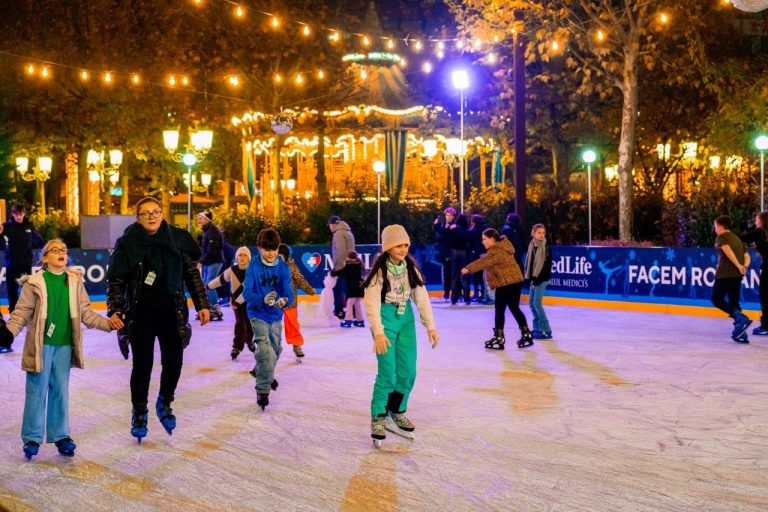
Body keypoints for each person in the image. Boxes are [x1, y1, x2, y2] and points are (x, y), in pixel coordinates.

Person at [0, 239, 117, 460]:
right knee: (36, 391)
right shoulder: (34, 283)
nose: (61, 253)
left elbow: (87, 314)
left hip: (64, 346)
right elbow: (21, 313)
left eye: (63, 250)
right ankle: (32, 437)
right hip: (40, 346)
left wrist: (109, 324)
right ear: (45, 258)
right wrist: (8, 333)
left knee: (60, 392)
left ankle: (61, 436)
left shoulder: (75, 281)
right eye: (55, 250)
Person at [106, 197, 210, 444]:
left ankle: (165, 401)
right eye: (146, 213)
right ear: (138, 218)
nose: (152, 216)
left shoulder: (177, 238)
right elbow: (116, 280)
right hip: (140, 313)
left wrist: (202, 304)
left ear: (162, 214)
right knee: (142, 365)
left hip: (171, 312)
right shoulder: (127, 242)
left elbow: (191, 274)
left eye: (156, 212)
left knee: (174, 361)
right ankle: (139, 412)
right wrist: (115, 309)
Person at [362, 225, 439, 444]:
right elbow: (371, 303)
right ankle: (379, 416)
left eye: (406, 245)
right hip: (385, 322)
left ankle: (396, 410)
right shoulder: (379, 272)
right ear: (388, 247)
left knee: (408, 372)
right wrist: (378, 332)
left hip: (406, 322)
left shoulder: (411, 269)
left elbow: (422, 298)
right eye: (398, 245)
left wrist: (430, 326)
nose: (403, 249)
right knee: (387, 373)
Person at [243, 229, 293, 410]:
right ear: (259, 248)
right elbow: (247, 293)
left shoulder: (283, 268)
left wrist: (285, 301)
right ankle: (263, 390)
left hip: (275, 315)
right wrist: (262, 299)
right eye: (266, 249)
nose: (271, 253)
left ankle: (259, 370)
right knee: (265, 351)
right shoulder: (253, 267)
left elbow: (288, 291)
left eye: (274, 249)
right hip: (257, 314)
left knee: (276, 350)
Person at [462, 228, 533, 350]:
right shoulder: (503, 247)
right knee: (514, 308)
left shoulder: (496, 250)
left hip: (506, 283)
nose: (483, 242)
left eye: (485, 239)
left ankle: (499, 337)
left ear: (492, 239)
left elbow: (484, 262)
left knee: (499, 310)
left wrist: (468, 268)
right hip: (515, 281)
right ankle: (526, 333)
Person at [206, 246, 255, 360]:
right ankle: (236, 347)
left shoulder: (252, 271)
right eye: (240, 255)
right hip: (236, 304)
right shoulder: (232, 270)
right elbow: (220, 280)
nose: (242, 258)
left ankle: (249, 340)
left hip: (249, 302)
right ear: (236, 257)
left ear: (249, 258)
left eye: (245, 255)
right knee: (240, 323)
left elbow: (247, 290)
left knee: (249, 324)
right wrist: (208, 286)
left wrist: (237, 302)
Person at [711, 215, 751, 343]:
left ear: (721, 226)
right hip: (737, 275)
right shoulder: (736, 238)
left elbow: (728, 252)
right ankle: (740, 333)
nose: (715, 229)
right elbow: (747, 256)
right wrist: (744, 266)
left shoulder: (721, 237)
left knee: (716, 299)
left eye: (715, 226)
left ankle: (740, 318)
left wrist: (738, 265)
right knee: (734, 302)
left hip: (725, 274)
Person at [0, 204, 45, 312]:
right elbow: (1, 246)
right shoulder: (6, 227)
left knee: (28, 293)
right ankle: (13, 314)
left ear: (24, 213)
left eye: (20, 214)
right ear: (13, 214)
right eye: (16, 214)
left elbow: (39, 241)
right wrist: (0, 234)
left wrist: (48, 250)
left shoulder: (29, 225)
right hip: (12, 265)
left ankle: (28, 314)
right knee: (12, 293)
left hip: (26, 265)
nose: (18, 216)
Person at [277, 243, 316, 360]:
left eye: (280, 257)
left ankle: (296, 345)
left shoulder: (291, 266)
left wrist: (309, 290)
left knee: (292, 324)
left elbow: (300, 279)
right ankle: (274, 345)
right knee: (272, 325)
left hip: (290, 302)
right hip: (275, 302)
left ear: (286, 257)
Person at [524, 224, 553, 339]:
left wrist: (538, 278)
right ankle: (537, 328)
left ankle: (545, 329)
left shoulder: (546, 248)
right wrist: (528, 278)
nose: (542, 235)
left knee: (536, 303)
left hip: (542, 279)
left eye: (543, 233)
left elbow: (547, 266)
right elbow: (529, 263)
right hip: (533, 278)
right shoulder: (532, 245)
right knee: (531, 303)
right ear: (533, 233)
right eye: (539, 232)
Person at [741, 211, 768, 336]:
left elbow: (743, 238)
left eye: (757, 220)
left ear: (762, 221)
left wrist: (727, 236)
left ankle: (766, 326)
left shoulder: (758, 232)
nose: (755, 222)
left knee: (765, 297)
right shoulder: (763, 234)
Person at [197, 210, 225, 321]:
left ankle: (215, 308)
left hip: (215, 261)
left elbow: (211, 251)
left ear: (207, 219)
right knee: (205, 283)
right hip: (209, 261)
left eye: (201, 218)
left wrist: (201, 262)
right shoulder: (207, 231)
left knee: (209, 284)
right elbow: (206, 249)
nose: (199, 220)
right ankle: (208, 307)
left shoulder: (213, 231)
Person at [329, 215, 355, 319]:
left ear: (333, 224)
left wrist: (337, 269)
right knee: (348, 289)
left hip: (343, 266)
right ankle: (352, 311)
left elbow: (341, 252)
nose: (330, 228)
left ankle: (339, 311)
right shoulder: (348, 232)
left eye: (330, 225)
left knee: (337, 289)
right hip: (350, 265)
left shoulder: (338, 234)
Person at [331, 250, 366, 328]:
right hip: (360, 288)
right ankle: (360, 320)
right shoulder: (359, 265)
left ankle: (348, 320)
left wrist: (332, 273)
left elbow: (341, 272)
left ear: (349, 257)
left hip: (352, 289)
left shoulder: (349, 266)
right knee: (357, 304)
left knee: (349, 304)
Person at [433, 207, 456, 301]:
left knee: (455, 275)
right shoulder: (442, 226)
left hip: (454, 254)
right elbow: (439, 239)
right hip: (445, 254)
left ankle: (456, 293)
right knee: (446, 275)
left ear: (453, 216)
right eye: (447, 215)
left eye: (450, 215)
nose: (449, 217)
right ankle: (446, 292)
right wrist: (437, 227)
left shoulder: (455, 226)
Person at [449, 214, 471, 305]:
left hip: (454, 252)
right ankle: (466, 298)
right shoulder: (467, 230)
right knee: (465, 275)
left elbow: (449, 240)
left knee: (455, 276)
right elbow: (469, 241)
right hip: (464, 253)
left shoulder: (453, 229)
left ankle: (454, 298)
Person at [468, 213, 488, 303]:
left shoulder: (473, 230)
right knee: (483, 276)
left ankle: (477, 293)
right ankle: (483, 293)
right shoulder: (486, 229)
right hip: (484, 254)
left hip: (476, 255)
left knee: (476, 276)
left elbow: (470, 241)